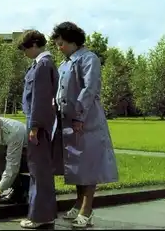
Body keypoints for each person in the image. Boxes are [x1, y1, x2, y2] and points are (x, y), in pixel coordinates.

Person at [51, 21, 119, 228]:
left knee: (89, 165)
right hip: (69, 123)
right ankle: (78, 203)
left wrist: (79, 116)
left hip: (86, 121)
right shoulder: (65, 63)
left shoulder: (88, 59)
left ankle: (86, 210)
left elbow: (89, 89)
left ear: (72, 41)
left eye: (61, 43)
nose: (58, 47)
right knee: (77, 166)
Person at [17, 30, 60, 229]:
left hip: (38, 124)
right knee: (39, 170)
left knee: (39, 170)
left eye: (25, 49)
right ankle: (44, 214)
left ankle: (40, 217)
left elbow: (40, 99)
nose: (24, 53)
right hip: (38, 122)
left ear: (34, 44)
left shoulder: (43, 65)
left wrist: (34, 126)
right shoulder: (41, 64)